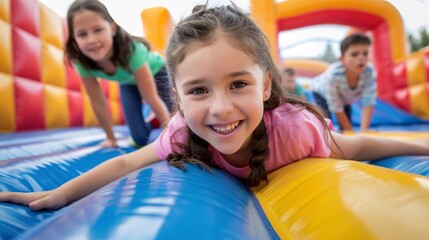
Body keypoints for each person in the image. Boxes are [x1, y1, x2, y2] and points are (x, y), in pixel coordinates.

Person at [0, 4, 428, 210]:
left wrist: (421, 148)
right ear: (179, 100)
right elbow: (123, 164)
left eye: (238, 83)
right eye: (199, 91)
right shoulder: (183, 132)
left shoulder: (296, 132)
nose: (221, 108)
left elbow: (356, 146)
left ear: (264, 85)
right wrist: (58, 195)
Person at [65, 0, 175, 148]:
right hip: (128, 82)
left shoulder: (132, 50)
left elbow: (150, 96)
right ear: (74, 39)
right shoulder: (83, 63)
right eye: (82, 34)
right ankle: (151, 122)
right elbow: (98, 102)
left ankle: (162, 118)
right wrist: (111, 138)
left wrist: (167, 127)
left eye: (98, 30)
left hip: (157, 72)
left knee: (174, 119)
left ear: (112, 28)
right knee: (139, 138)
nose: (91, 40)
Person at [311, 33, 376, 132]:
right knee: (327, 124)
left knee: (345, 127)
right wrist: (351, 132)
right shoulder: (334, 75)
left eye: (365, 53)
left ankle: (345, 134)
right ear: (342, 59)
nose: (361, 58)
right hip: (321, 93)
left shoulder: (368, 73)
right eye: (354, 54)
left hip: (345, 97)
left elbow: (368, 101)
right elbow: (336, 106)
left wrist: (364, 130)